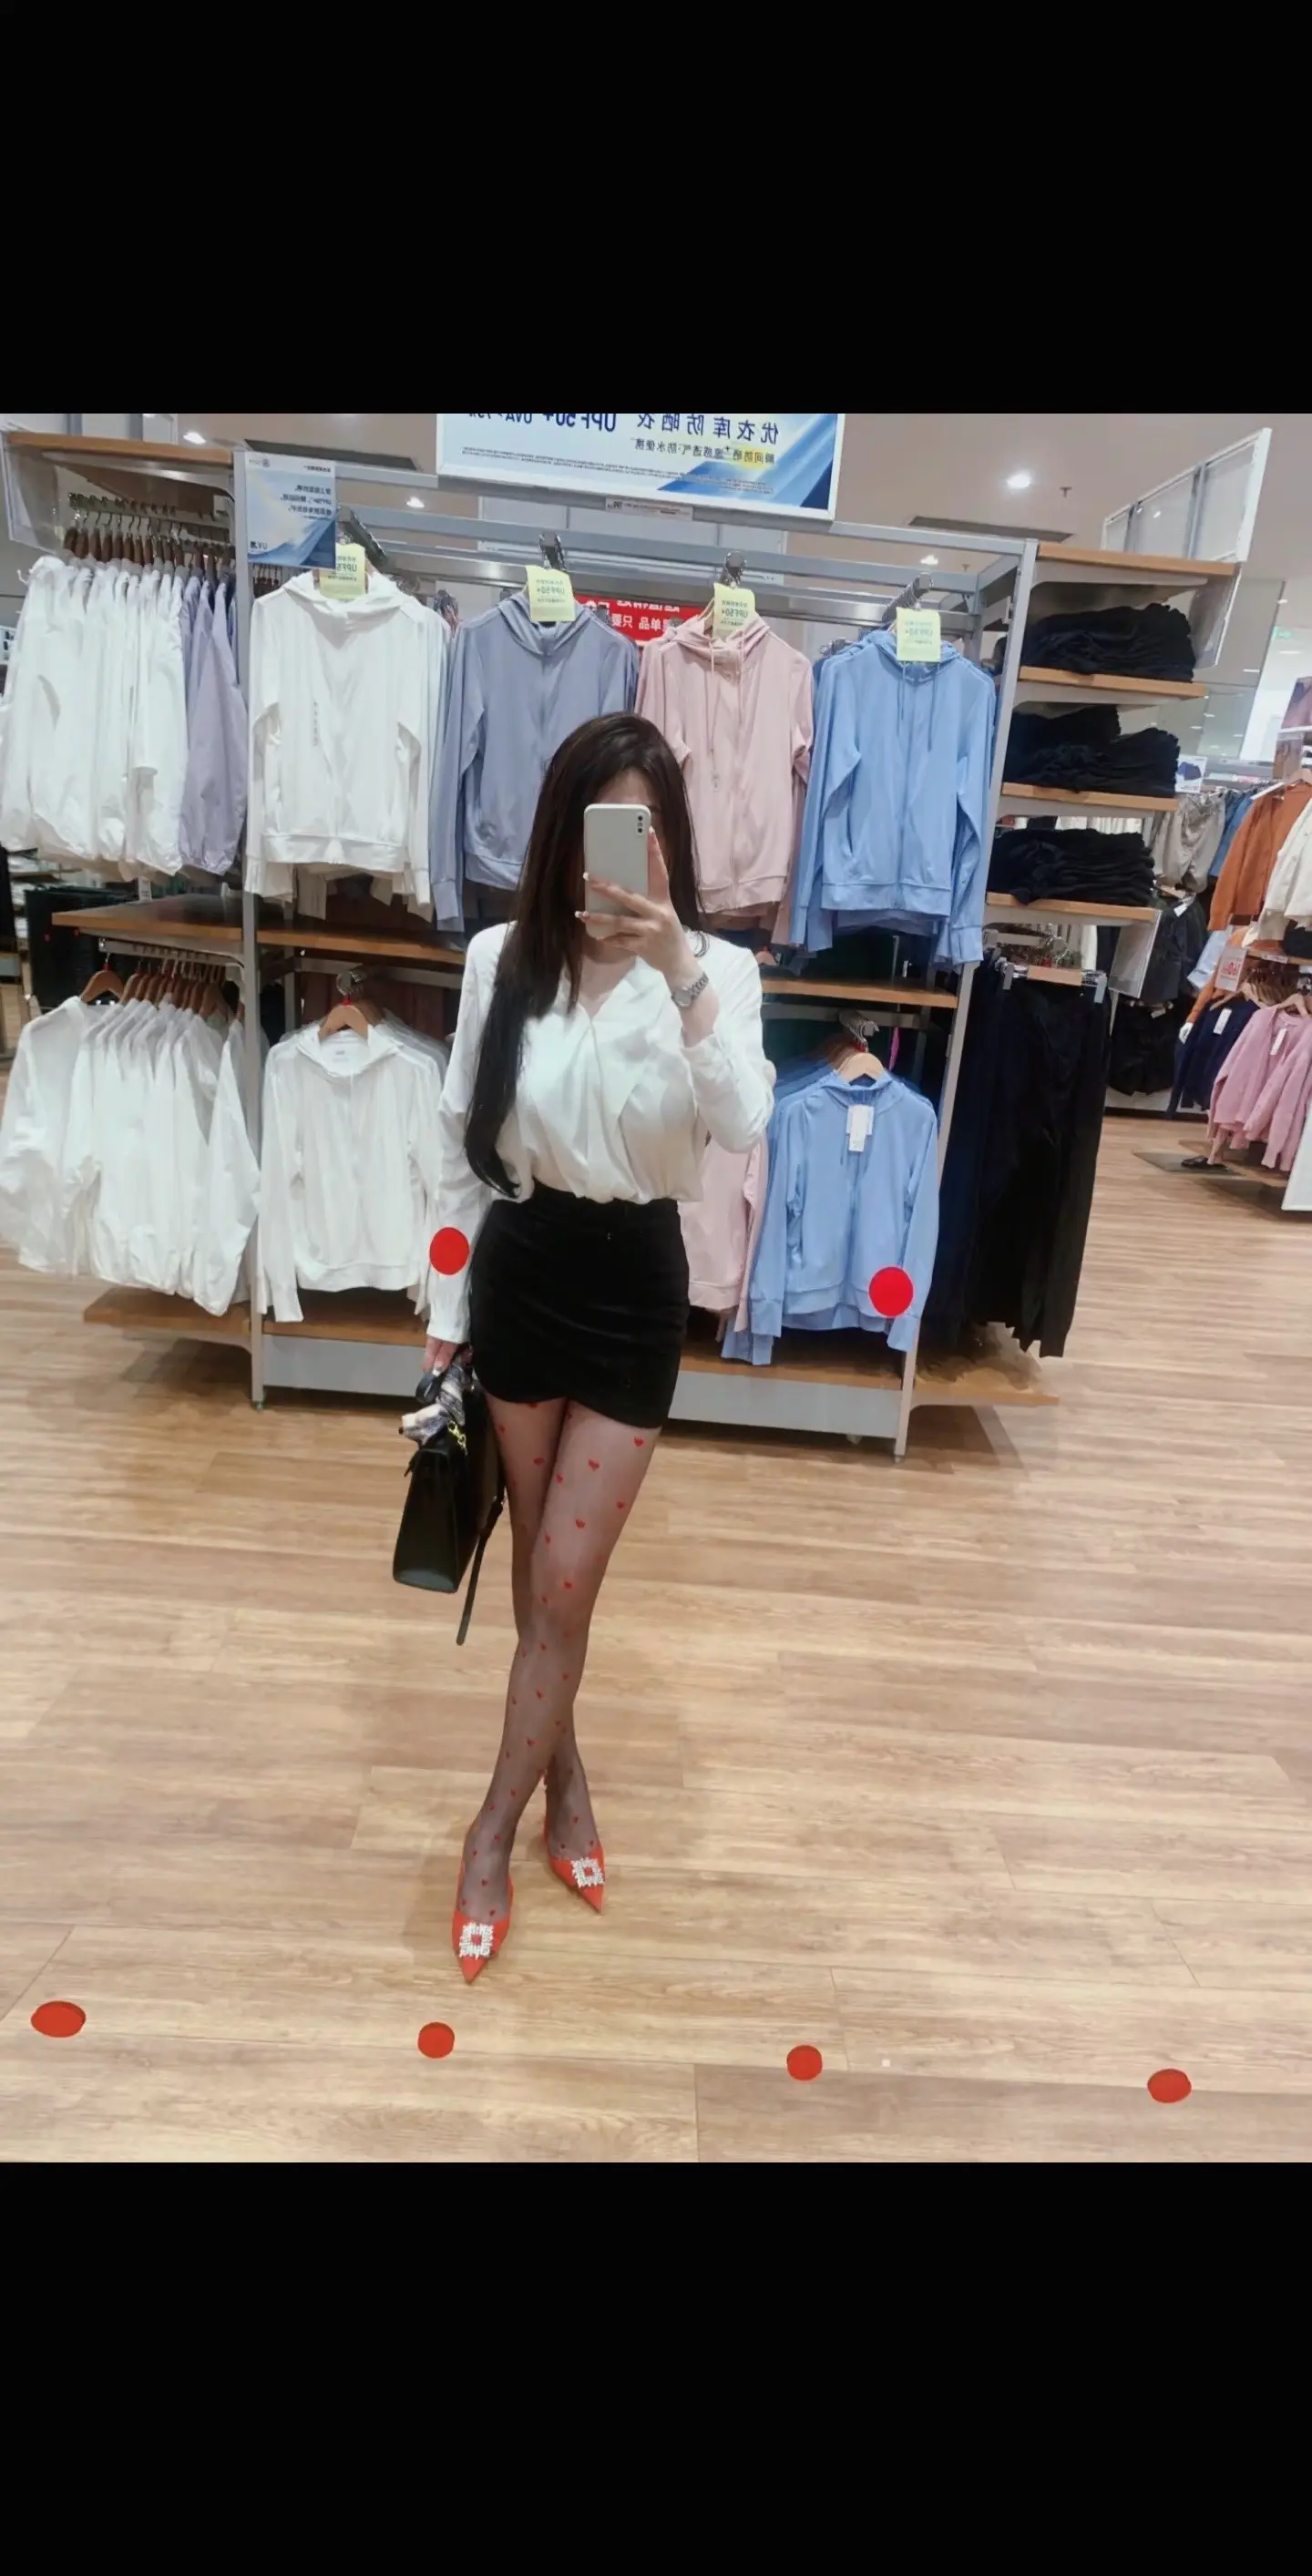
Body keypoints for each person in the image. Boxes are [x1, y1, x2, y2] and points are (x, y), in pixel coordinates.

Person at [424, 710, 774, 1978]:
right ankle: (564, 1783)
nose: (623, 858)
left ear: (670, 844)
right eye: (602, 830)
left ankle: (489, 1829)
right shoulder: (501, 960)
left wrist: (679, 967)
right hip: (522, 1271)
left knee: (564, 1583)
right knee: (537, 1576)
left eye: (647, 831)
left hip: (633, 1290)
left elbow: (741, 1123)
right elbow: (459, 1150)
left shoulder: (720, 975)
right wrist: (443, 1321)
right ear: (563, 841)